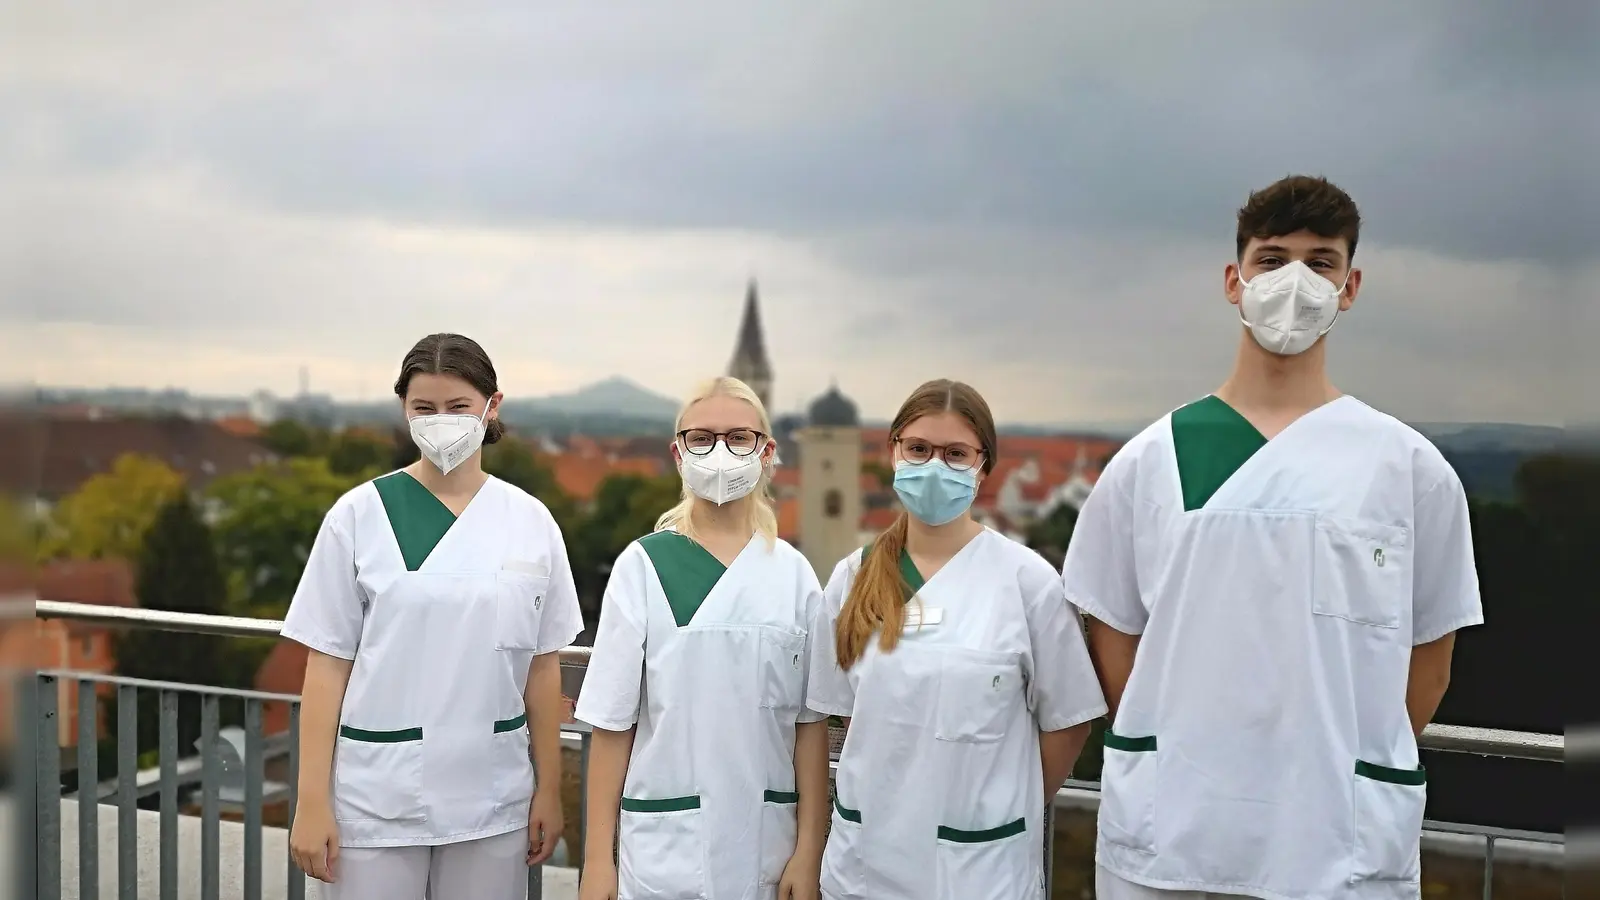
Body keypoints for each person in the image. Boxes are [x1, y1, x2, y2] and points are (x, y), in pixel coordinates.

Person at [1062, 175, 1484, 900]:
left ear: (1349, 287)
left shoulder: (1408, 468)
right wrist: (1185, 739)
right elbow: (1115, 643)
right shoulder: (1150, 460)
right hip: (1174, 836)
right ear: (1234, 280)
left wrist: (1343, 762)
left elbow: (1430, 662)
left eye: (1321, 262)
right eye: (1272, 258)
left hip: (1338, 840)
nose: (1296, 280)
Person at [283, 333, 583, 899]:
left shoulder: (531, 521)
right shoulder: (358, 516)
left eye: (457, 407)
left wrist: (549, 790)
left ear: (492, 407)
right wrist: (311, 802)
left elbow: (543, 669)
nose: (440, 421)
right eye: (424, 408)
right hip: (377, 797)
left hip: (492, 793)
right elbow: (325, 669)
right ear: (404, 410)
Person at [806, 378, 1106, 900]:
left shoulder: (1027, 583)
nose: (934, 466)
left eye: (955, 453)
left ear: (983, 466)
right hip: (864, 867)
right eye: (919, 449)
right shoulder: (852, 578)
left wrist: (1009, 802)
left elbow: (1071, 721)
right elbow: (845, 716)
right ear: (893, 450)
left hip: (980, 869)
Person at [575, 376, 831, 900]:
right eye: (702, 437)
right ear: (678, 452)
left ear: (766, 451)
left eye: (739, 437)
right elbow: (611, 727)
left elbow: (809, 727)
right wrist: (597, 861)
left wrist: (808, 851)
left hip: (768, 846)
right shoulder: (642, 566)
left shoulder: (794, 575)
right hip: (663, 851)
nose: (720, 451)